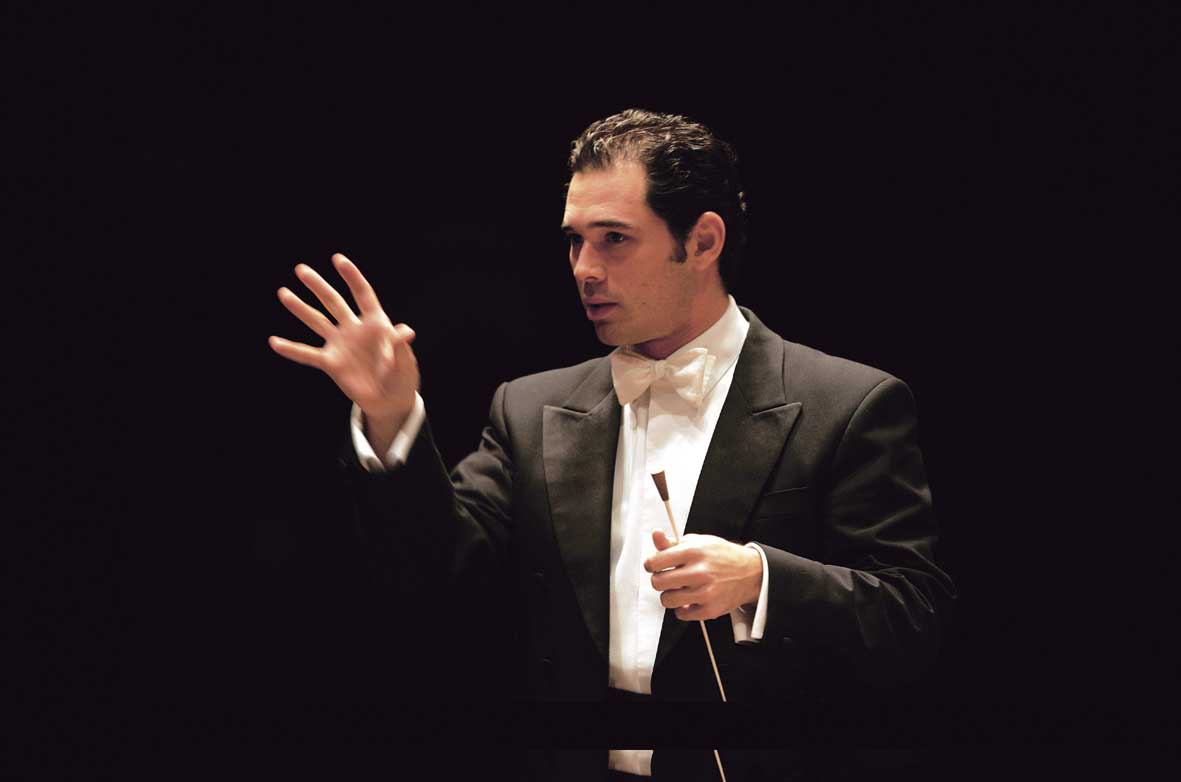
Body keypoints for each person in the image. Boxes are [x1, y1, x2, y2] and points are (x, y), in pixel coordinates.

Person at [268, 109, 955, 781]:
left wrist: (760, 579)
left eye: (614, 239)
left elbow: (912, 618)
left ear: (703, 242)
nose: (583, 269)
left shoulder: (848, 403)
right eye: (574, 241)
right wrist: (390, 417)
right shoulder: (530, 408)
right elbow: (437, 577)